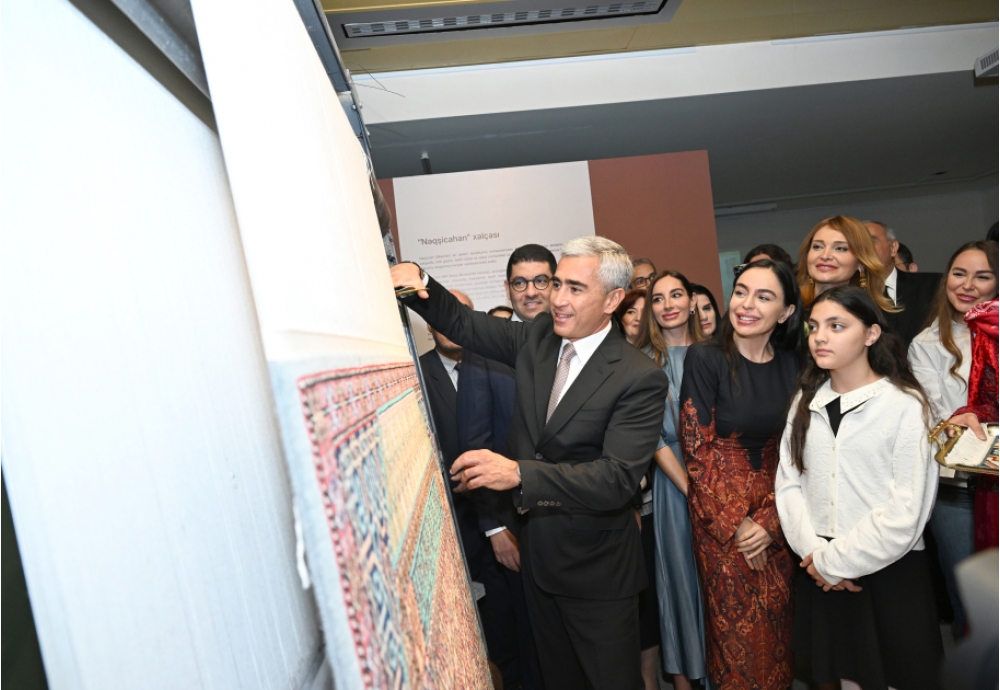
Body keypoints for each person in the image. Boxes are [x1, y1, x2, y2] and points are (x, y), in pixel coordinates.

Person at [392, 237, 669, 690]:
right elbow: (465, 324)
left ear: (613, 300)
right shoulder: (539, 338)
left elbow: (616, 479)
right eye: (558, 284)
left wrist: (519, 473)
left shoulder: (638, 376)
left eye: (575, 288)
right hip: (539, 563)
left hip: (597, 573)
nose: (557, 298)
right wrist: (418, 281)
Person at [776, 286, 942, 690]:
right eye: (815, 326)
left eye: (837, 326)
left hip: (887, 568)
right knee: (843, 678)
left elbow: (908, 511)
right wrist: (815, 555)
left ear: (871, 333)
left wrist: (833, 563)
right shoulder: (805, 401)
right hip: (818, 562)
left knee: (896, 678)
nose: (820, 337)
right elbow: (789, 484)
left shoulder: (906, 405)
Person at [680, 259, 802, 689]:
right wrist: (740, 523)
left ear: (786, 312)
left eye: (764, 297)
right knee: (735, 637)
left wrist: (770, 520)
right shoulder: (706, 357)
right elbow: (696, 451)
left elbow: (800, 449)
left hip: (779, 508)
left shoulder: (794, 363)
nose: (746, 304)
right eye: (741, 292)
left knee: (779, 629)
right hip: (720, 518)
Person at [457, 244, 557, 690]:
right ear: (507, 288)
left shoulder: (579, 346)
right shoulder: (483, 353)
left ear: (556, 284)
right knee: (532, 639)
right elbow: (474, 446)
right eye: (520, 282)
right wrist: (495, 528)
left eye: (541, 281)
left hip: (575, 522)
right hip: (516, 526)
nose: (530, 291)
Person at [908, 240, 998, 637]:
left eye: (983, 276)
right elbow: (936, 417)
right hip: (957, 489)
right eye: (959, 274)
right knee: (970, 598)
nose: (968, 285)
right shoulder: (926, 344)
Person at [634, 271, 708, 690]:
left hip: (722, 478)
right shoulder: (643, 362)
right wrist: (693, 492)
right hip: (675, 485)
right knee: (679, 583)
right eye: (658, 299)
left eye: (676, 294)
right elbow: (655, 440)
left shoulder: (718, 351)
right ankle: (684, 680)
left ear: (692, 300)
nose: (668, 305)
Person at [865, 220, 940, 347]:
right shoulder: (846, 295)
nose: (862, 248)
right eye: (856, 244)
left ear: (893, 248)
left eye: (870, 241)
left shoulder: (933, 286)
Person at [797, 215, 894, 313]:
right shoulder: (790, 305)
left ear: (861, 262)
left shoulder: (874, 313)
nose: (825, 256)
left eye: (840, 248)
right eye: (818, 247)